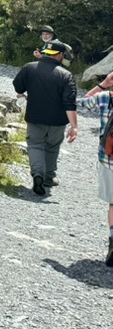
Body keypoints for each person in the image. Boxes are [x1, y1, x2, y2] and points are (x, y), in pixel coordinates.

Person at [13, 40, 78, 195]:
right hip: (57, 121)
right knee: (52, 147)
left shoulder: (29, 68)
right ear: (61, 55)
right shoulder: (66, 75)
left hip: (35, 116)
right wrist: (74, 126)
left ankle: (37, 174)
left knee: (35, 144)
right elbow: (70, 103)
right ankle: (49, 177)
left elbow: (18, 86)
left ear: (45, 53)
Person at [79, 69, 113, 266]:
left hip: (109, 159)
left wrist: (103, 85)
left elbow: (82, 103)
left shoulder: (104, 98)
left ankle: (112, 242)